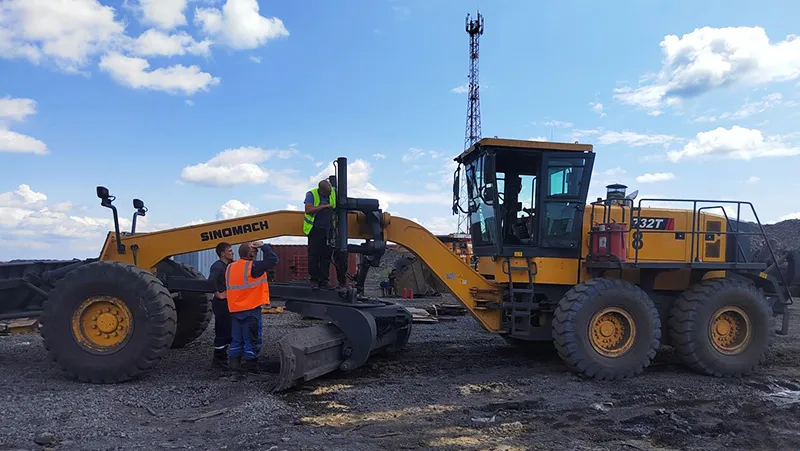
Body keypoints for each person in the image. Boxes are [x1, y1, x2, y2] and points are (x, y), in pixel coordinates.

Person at [225, 241, 279, 374]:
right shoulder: (252, 267)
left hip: (235, 309)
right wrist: (263, 246)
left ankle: (234, 370)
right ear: (250, 254)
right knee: (252, 340)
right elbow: (273, 260)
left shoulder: (231, 267)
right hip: (250, 309)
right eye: (255, 251)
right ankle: (252, 370)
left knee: (237, 340)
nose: (256, 253)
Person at [303, 180, 336, 290]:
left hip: (329, 230)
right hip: (315, 229)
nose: (329, 194)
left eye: (330, 192)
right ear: (321, 191)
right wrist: (323, 207)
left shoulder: (333, 192)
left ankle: (324, 281)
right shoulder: (311, 194)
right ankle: (314, 280)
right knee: (314, 255)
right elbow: (308, 209)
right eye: (327, 193)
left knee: (326, 257)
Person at [207, 241, 233, 370]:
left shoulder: (227, 266)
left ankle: (223, 359)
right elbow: (210, 281)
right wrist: (219, 294)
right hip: (221, 304)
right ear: (222, 253)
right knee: (222, 331)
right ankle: (218, 362)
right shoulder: (218, 266)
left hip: (227, 304)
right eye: (229, 251)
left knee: (228, 330)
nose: (232, 253)